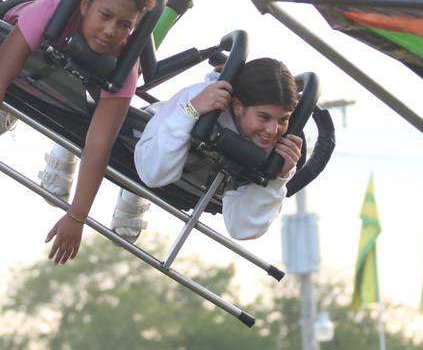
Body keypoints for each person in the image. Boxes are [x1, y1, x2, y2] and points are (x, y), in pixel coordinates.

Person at [0, 0, 155, 264]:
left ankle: (13, 110)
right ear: (86, 4)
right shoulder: (51, 10)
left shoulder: (126, 63)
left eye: (125, 25)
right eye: (105, 15)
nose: (111, 30)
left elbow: (99, 145)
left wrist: (76, 217)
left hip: (59, 89)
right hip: (3, 43)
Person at [127, 57, 304, 241]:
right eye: (264, 117)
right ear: (237, 107)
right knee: (150, 165)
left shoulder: (281, 149)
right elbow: (152, 174)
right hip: (150, 151)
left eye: (283, 119)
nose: (272, 130)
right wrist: (190, 111)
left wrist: (277, 178)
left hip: (208, 184)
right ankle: (132, 192)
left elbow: (242, 229)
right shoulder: (201, 96)